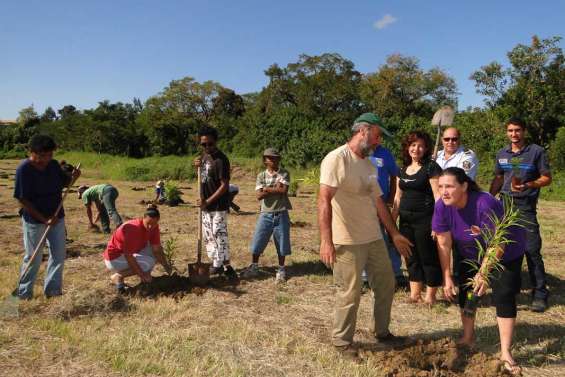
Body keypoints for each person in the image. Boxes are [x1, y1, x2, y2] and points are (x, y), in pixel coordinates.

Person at [318, 112, 413, 359]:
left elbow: (379, 202)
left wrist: (394, 234)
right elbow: (323, 199)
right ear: (363, 131)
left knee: (386, 283)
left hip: (373, 237)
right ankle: (342, 342)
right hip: (346, 239)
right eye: (377, 135)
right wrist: (326, 241)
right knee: (349, 292)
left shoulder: (370, 163)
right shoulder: (337, 159)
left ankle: (381, 331)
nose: (378, 142)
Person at [434, 167, 525, 376]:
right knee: (467, 291)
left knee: (503, 295)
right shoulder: (442, 206)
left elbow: (498, 241)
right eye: (440, 187)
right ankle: (468, 337)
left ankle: (505, 351)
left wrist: (484, 273)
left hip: (506, 251)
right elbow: (444, 243)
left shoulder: (484, 203)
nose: (444, 191)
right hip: (470, 252)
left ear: (464, 186)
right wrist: (447, 276)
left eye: (449, 186)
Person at [489, 117, 552, 312]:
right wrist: (488, 198)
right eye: (510, 131)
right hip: (505, 205)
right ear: (506, 132)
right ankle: (510, 288)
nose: (514, 134)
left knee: (531, 251)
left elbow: (547, 178)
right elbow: (499, 178)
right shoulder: (502, 153)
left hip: (525, 206)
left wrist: (530, 184)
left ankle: (540, 293)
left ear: (523, 131)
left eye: (517, 130)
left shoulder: (536, 152)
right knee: (503, 249)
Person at [14, 135, 80, 299]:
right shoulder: (24, 169)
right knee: (33, 257)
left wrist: (74, 177)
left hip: (57, 216)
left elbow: (64, 182)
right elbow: (22, 199)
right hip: (35, 220)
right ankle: (23, 293)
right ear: (32, 152)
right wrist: (43, 219)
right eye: (42, 155)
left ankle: (53, 291)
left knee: (58, 255)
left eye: (50, 155)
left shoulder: (53, 165)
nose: (46, 159)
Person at [392, 130, 442, 304]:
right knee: (410, 256)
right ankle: (415, 295)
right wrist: (392, 222)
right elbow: (397, 198)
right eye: (413, 145)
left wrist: (437, 223)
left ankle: (430, 296)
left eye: (420, 145)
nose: (416, 149)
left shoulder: (431, 167)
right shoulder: (402, 169)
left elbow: (438, 197)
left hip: (425, 219)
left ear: (426, 148)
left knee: (427, 257)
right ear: (407, 147)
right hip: (406, 220)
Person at [436, 127, 480, 284]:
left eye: (454, 139)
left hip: (461, 204)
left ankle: (467, 282)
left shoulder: (467, 156)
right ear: (442, 140)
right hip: (441, 204)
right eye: (447, 139)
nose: (450, 142)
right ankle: (446, 278)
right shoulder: (436, 155)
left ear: (459, 139)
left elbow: (460, 181)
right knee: (443, 242)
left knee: (463, 244)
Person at [241, 148, 292, 283]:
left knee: (282, 242)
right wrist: (275, 188)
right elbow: (259, 196)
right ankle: (254, 266)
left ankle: (281, 269)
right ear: (265, 161)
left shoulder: (284, 173)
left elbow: (283, 190)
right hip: (265, 213)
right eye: (269, 158)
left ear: (279, 159)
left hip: (281, 213)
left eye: (275, 158)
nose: (272, 160)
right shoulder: (261, 176)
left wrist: (267, 189)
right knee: (258, 239)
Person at [366, 125, 408, 289]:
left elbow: (394, 175)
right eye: (377, 136)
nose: (379, 139)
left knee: (391, 237)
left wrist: (391, 199)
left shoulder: (385, 154)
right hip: (363, 205)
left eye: (380, 137)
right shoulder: (358, 153)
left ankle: (396, 272)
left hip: (382, 204)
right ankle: (365, 276)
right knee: (366, 240)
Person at [194, 126, 237, 280]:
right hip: (205, 205)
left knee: (219, 234)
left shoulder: (221, 160)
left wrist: (208, 201)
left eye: (210, 144)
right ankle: (217, 264)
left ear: (216, 142)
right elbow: (203, 178)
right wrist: (196, 167)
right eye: (203, 144)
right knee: (209, 236)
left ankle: (224, 266)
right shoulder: (204, 157)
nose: (207, 147)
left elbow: (224, 185)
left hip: (218, 206)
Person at [103, 205, 171, 293]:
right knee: (148, 263)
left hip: (128, 254)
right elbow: (129, 256)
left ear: (158, 221)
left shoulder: (154, 227)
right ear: (143, 218)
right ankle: (118, 276)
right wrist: (141, 275)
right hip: (115, 259)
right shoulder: (133, 229)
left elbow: (157, 249)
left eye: (154, 224)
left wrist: (166, 266)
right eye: (148, 224)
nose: (150, 227)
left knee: (153, 251)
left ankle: (146, 276)